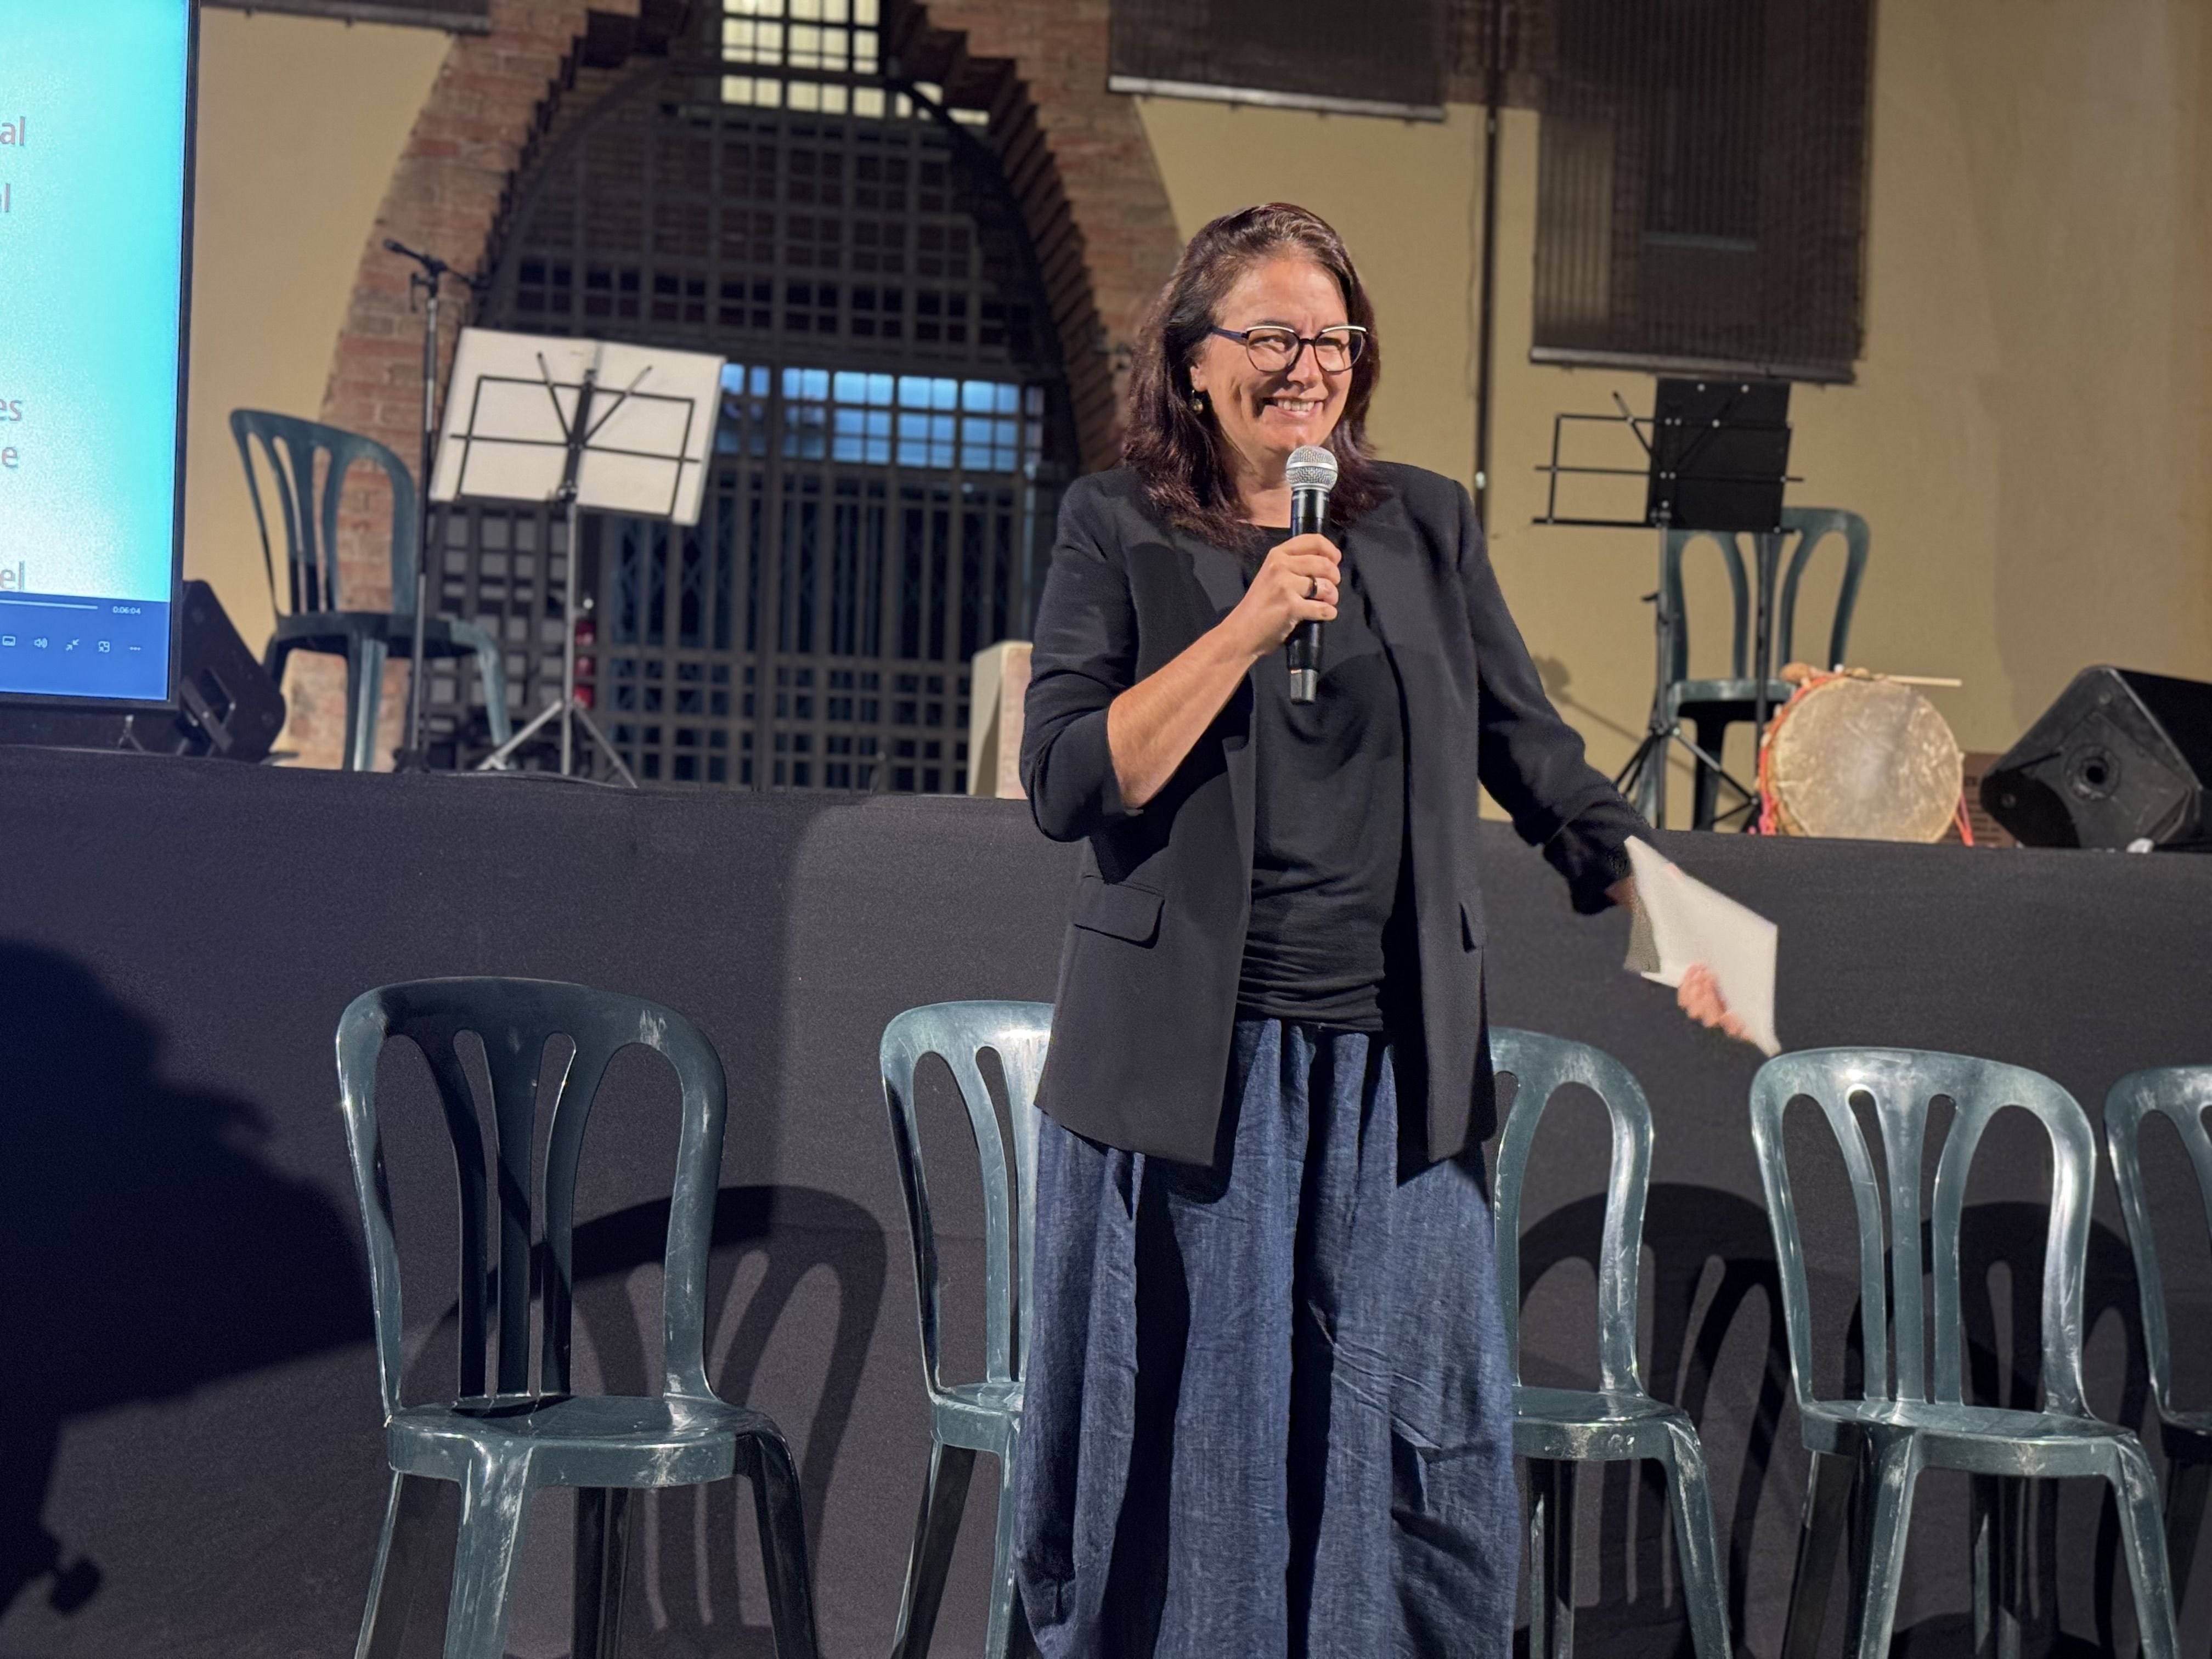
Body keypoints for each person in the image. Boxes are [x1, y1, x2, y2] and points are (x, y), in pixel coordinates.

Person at [1013, 202, 1734, 1658]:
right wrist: (1245, 627)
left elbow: (1537, 760)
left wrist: (1674, 912)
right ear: (1197, 359)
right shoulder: (1117, 524)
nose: (1309, 366)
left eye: (1333, 337)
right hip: (1190, 1086)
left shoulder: (1421, 525)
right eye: (1272, 335)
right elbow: (1071, 780)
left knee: (1410, 1448)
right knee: (1196, 1459)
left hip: (1392, 1076)